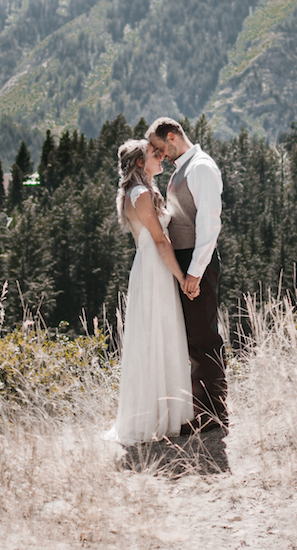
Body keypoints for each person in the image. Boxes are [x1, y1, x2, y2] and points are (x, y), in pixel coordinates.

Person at [104, 139, 194, 445]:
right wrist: (182, 277)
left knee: (160, 334)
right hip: (155, 268)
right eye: (154, 155)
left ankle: (165, 413)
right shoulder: (140, 194)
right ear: (140, 163)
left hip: (153, 268)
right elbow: (159, 239)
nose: (161, 157)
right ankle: (159, 417)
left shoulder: (141, 191)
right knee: (157, 334)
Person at [147, 117, 227, 431]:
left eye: (159, 147)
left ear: (172, 137)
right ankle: (201, 409)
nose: (159, 154)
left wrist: (194, 272)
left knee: (204, 337)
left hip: (198, 262)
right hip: (186, 262)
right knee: (193, 338)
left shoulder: (201, 167)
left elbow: (210, 225)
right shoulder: (185, 168)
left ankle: (214, 414)